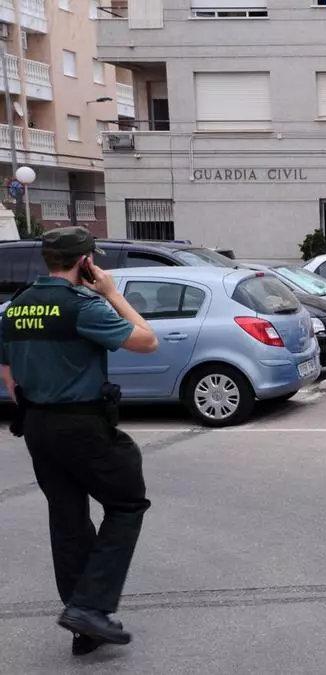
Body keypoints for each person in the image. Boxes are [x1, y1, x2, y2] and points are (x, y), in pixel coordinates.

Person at [0, 227, 158, 655]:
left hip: (37, 425)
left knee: (67, 519)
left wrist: (36, 406)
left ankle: (84, 627)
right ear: (86, 262)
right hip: (82, 425)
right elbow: (146, 340)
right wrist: (113, 294)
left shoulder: (15, 307)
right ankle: (90, 607)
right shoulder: (82, 306)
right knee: (127, 503)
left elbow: (8, 371)